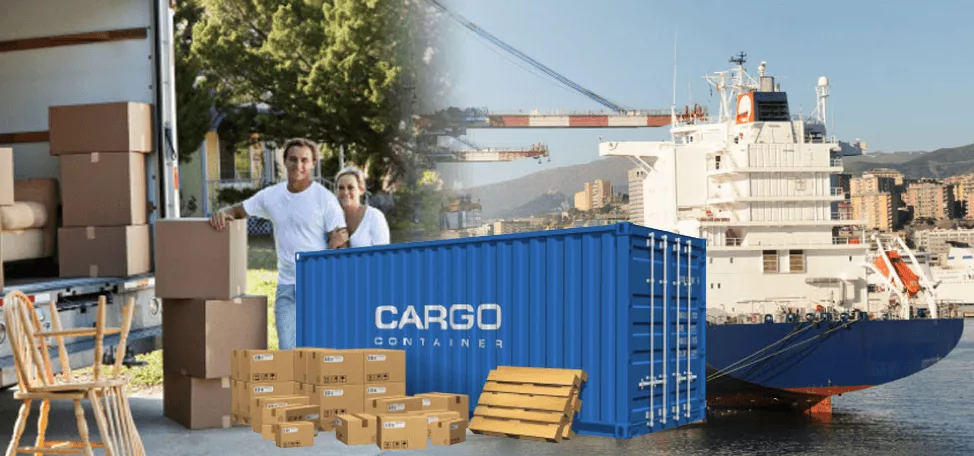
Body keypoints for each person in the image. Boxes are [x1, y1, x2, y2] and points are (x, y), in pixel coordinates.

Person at [209, 138, 347, 350]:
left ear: (312, 163)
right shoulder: (271, 196)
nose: (298, 165)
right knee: (288, 352)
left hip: (318, 286)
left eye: (304, 160)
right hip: (286, 287)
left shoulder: (324, 199)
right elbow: (238, 210)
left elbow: (342, 247)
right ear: (284, 161)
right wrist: (222, 213)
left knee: (319, 353)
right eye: (293, 159)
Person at [334, 165, 391, 248]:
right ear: (336, 191)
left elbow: (384, 256)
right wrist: (332, 245)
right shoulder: (334, 221)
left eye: (350, 187)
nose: (345, 192)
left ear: (361, 190)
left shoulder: (374, 217)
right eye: (341, 188)